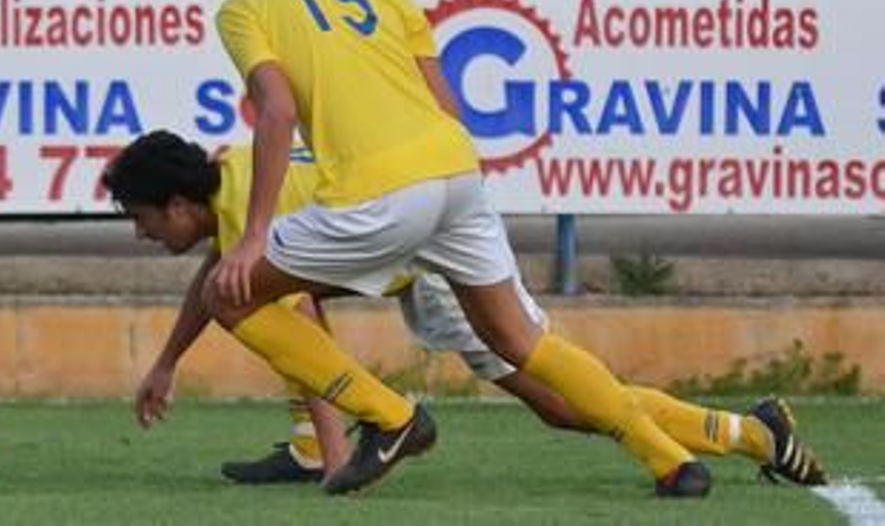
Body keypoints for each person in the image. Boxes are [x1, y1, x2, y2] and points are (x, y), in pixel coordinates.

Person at [206, 0, 727, 499]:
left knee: (227, 295)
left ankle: (391, 417)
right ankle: (671, 461)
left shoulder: (246, 7)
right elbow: (443, 102)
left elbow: (277, 110)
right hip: (455, 172)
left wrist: (256, 234)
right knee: (520, 339)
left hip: (376, 193)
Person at [102, 130, 828, 489]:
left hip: (431, 258)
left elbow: (301, 325)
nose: (142, 234)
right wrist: (168, 360)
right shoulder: (233, 181)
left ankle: (743, 435)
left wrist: (331, 460)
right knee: (561, 402)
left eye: (142, 219)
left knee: (563, 403)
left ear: (178, 203)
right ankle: (753, 431)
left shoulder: (250, 215)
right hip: (419, 243)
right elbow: (218, 277)